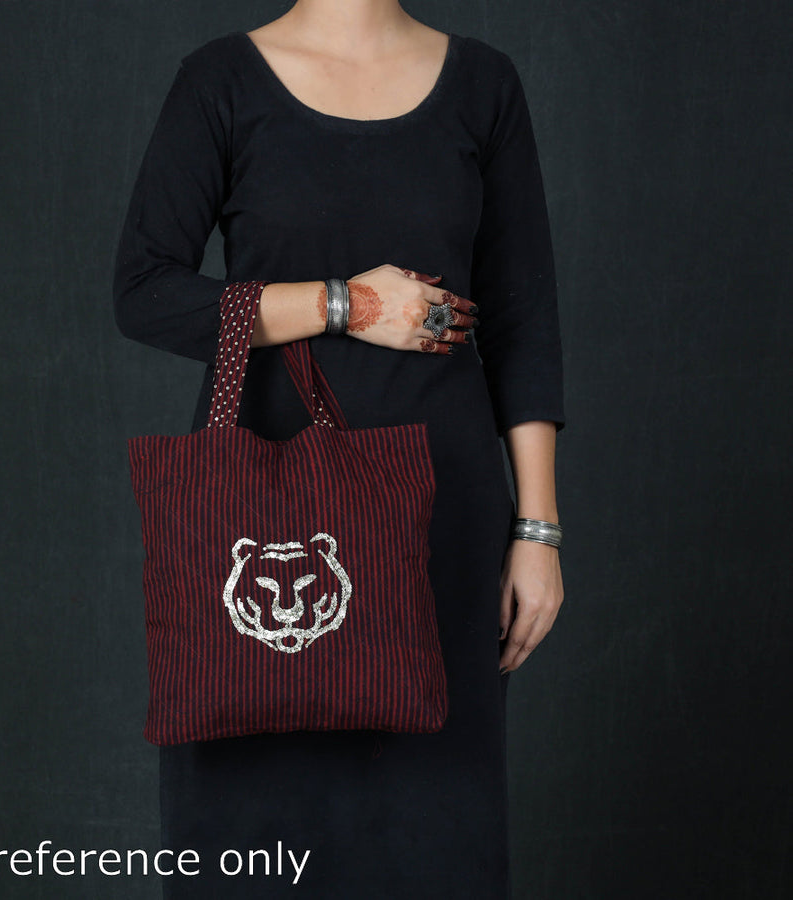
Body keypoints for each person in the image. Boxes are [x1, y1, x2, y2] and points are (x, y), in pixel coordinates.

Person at [112, 1, 565, 896]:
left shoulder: (484, 84)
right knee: (250, 839)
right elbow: (145, 291)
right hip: (263, 517)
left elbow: (525, 320)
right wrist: (346, 305)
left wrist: (538, 530)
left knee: (434, 839)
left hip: (442, 520)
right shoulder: (220, 81)